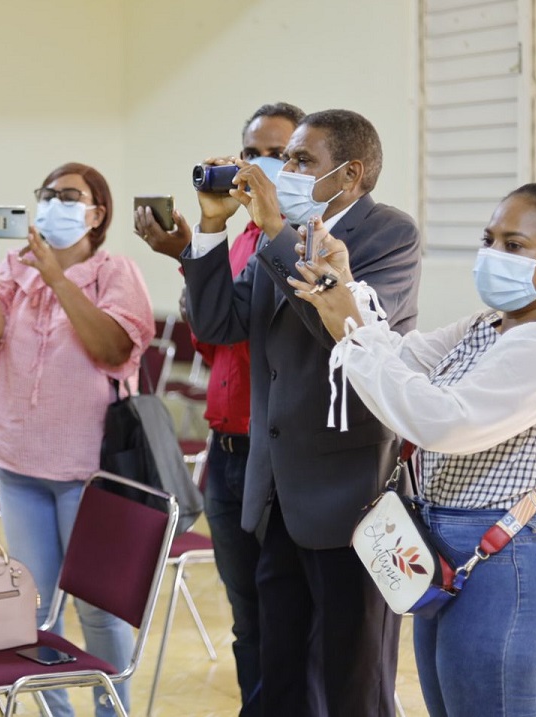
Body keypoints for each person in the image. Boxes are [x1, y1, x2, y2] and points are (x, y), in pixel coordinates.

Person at [289, 183, 536, 717]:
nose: (492, 255)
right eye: (489, 240)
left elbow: (441, 421)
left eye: (514, 246)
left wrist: (348, 326)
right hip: (450, 554)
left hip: (510, 568)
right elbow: (400, 358)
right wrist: (345, 288)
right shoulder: (491, 326)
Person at [180, 109, 422, 717]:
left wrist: (276, 232)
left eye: (300, 160)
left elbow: (346, 337)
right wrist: (211, 229)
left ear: (351, 173)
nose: (283, 170)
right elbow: (217, 323)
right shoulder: (279, 233)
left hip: (348, 491)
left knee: (352, 678)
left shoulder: (388, 234)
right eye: (284, 158)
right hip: (277, 486)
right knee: (281, 667)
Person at [0, 162, 155, 716]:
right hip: (20, 464)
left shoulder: (116, 271)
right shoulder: (15, 271)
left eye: (67, 196)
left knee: (98, 608)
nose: (52, 204)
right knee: (34, 609)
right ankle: (54, 713)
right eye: (45, 194)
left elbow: (114, 349)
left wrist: (57, 278)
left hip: (90, 471)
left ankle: (110, 711)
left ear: (96, 214)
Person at [136, 101, 305, 717]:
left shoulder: (302, 242)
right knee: (246, 619)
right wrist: (192, 252)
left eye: (278, 153)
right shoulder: (241, 241)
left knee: (283, 616)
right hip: (226, 451)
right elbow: (216, 343)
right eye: (250, 152)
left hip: (276, 455)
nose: (259, 164)